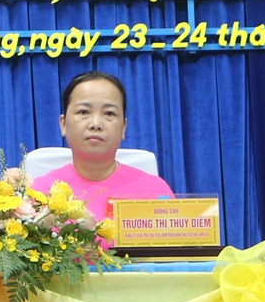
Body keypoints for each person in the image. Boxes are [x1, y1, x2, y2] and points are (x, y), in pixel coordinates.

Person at [32, 70, 173, 220]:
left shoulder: (156, 191)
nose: (96, 124)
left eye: (109, 113)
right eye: (83, 112)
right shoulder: (38, 194)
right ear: (63, 124)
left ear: (123, 127)